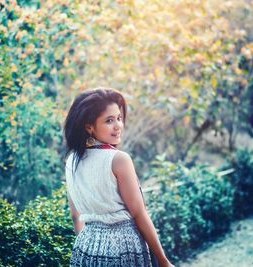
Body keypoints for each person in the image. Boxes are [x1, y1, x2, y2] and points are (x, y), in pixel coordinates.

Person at [64, 88, 175, 267]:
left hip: (85, 246)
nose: (118, 126)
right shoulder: (118, 159)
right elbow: (139, 213)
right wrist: (163, 261)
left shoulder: (71, 160)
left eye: (119, 118)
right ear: (89, 126)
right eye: (109, 120)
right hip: (123, 247)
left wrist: (90, 245)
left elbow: (76, 216)